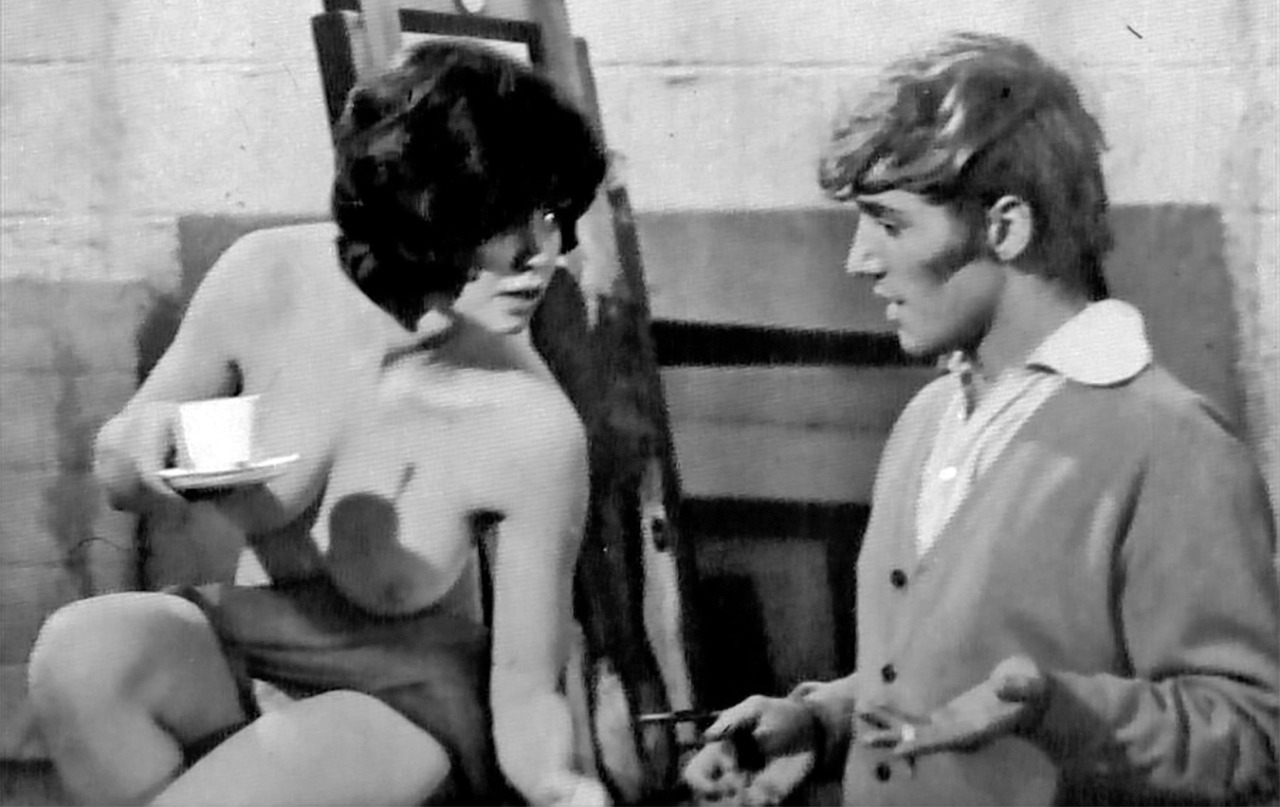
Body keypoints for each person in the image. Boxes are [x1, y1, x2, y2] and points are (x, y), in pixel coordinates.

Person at [683, 31, 1279, 806]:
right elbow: (945, 671)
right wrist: (820, 721)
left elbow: (1253, 738)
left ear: (1005, 227)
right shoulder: (929, 418)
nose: (859, 259)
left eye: (890, 223)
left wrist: (1057, 711)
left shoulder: (1173, 445)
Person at [27, 40, 611, 807]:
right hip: (253, 641)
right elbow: (120, 465)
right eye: (510, 219)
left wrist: (561, 787)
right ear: (427, 206)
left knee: (260, 777)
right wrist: (144, 445)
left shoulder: (531, 424)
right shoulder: (267, 278)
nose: (546, 255)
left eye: (554, 218)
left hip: (407, 700)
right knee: (81, 652)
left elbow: (528, 691)